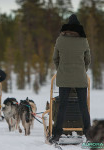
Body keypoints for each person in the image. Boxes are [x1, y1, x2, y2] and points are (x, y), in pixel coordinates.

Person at [49, 14, 91, 143]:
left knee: (62, 106)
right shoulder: (83, 40)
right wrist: (82, 71)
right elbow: (88, 60)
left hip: (64, 77)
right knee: (83, 106)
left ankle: (56, 134)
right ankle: (89, 134)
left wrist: (60, 69)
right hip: (80, 78)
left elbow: (55, 58)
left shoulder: (60, 40)